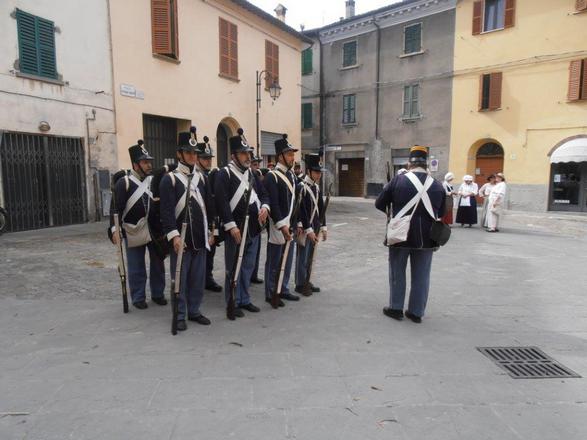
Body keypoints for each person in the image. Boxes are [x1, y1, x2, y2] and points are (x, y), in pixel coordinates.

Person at [375, 146, 445, 323]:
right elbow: (442, 210)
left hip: (401, 235)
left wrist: (393, 211)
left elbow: (379, 203)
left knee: (397, 272)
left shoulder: (399, 180)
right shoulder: (437, 185)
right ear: (426, 163)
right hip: (428, 238)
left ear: (409, 163)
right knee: (422, 275)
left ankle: (396, 308)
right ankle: (416, 312)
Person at [160, 127, 214, 331]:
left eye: (195, 153)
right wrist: (173, 236)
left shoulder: (202, 178)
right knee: (180, 279)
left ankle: (194, 310)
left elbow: (208, 206)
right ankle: (180, 314)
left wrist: (211, 231)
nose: (193, 157)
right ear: (179, 154)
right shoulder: (170, 179)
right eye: (189, 153)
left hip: (199, 236)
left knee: (197, 278)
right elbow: (166, 212)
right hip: (181, 239)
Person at [215, 129, 270, 319]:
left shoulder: (251, 175)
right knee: (233, 268)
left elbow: (263, 194)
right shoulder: (225, 174)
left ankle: (244, 298)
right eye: (243, 153)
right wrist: (231, 226)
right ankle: (232, 301)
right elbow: (221, 202)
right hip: (236, 230)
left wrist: (265, 207)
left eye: (248, 153)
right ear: (234, 155)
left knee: (247, 267)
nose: (248, 157)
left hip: (253, 229)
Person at [109, 141, 167, 309]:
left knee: (158, 263)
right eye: (145, 162)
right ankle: (138, 297)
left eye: (149, 162)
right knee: (136, 265)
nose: (149, 165)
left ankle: (158, 293)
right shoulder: (124, 183)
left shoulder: (153, 181)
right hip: (133, 229)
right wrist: (115, 229)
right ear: (135, 164)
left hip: (153, 229)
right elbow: (115, 209)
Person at [264, 134, 300, 306]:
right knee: (274, 261)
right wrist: (281, 225)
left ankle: (283, 288)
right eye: (289, 154)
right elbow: (274, 203)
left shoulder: (292, 176)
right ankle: (271, 291)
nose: (292, 157)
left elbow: (295, 202)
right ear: (280, 156)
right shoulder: (272, 176)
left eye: (293, 154)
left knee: (287, 258)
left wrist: (297, 223)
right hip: (278, 225)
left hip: (290, 225)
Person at [295, 154, 327, 295]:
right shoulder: (301, 186)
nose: (318, 175)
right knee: (302, 256)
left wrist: (324, 227)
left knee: (311, 256)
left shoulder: (317, 188)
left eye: (319, 172)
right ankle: (300, 283)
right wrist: (308, 229)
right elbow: (301, 211)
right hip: (306, 228)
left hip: (315, 227)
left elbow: (321, 209)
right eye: (316, 172)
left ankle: (307, 280)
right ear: (308, 171)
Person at [196, 137, 223, 293]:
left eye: (209, 158)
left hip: (212, 220)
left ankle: (208, 278)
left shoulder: (212, 175)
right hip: (199, 220)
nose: (208, 161)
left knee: (211, 251)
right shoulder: (195, 177)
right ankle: (199, 279)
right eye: (205, 159)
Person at [250, 154, 265, 284]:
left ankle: (253, 274)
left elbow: (262, 193)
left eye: (257, 164)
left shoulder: (255, 176)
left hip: (257, 219)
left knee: (257, 249)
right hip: (245, 222)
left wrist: (264, 207)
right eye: (255, 164)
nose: (257, 167)